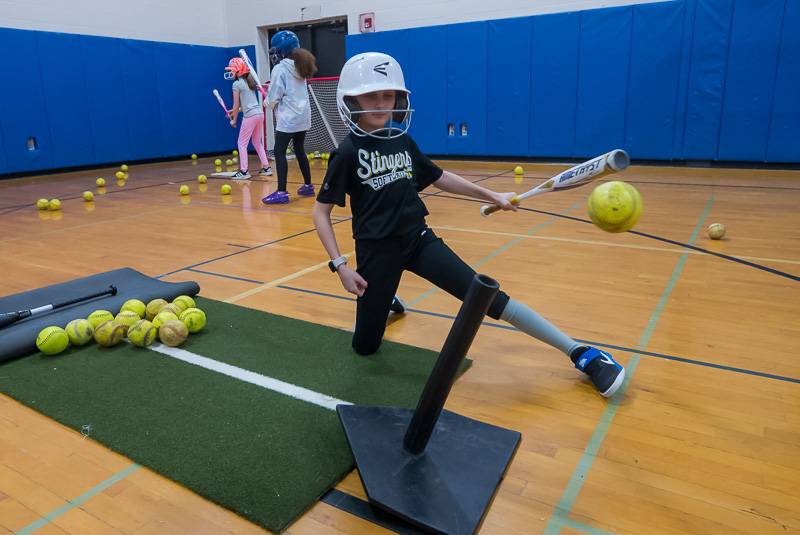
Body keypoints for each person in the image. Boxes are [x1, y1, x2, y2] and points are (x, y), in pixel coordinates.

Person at [312, 52, 625, 397]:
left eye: (388, 95)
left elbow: (440, 177)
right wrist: (341, 266)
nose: (381, 103)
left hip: (419, 241)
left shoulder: (402, 141)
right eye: (371, 96)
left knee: (485, 297)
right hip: (376, 255)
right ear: (350, 100)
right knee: (365, 347)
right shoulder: (346, 153)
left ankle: (582, 353)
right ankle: (385, 298)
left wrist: (491, 195)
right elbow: (320, 213)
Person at [262, 31, 316, 204]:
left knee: (279, 151)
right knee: (299, 149)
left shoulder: (279, 69)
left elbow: (274, 97)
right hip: (303, 117)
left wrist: (267, 102)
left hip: (288, 119)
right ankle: (308, 185)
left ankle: (282, 192)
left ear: (282, 50)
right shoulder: (301, 65)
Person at [224, 57, 272, 179]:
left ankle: (244, 171)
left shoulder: (236, 84)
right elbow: (245, 105)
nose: (230, 72)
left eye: (232, 70)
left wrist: (234, 120)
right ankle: (266, 167)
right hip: (259, 114)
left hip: (250, 116)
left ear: (238, 70)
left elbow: (236, 104)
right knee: (257, 142)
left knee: (241, 143)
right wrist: (234, 112)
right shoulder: (249, 83)